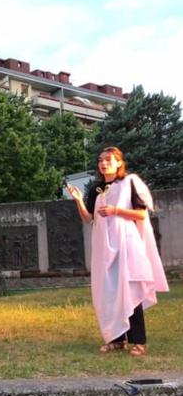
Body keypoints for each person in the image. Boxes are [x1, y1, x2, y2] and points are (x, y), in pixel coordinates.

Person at [67, 146, 168, 356]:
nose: (103, 163)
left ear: (119, 162)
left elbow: (140, 214)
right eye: (100, 160)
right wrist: (78, 200)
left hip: (126, 244)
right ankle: (116, 339)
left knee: (130, 290)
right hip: (104, 247)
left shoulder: (128, 183)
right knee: (109, 292)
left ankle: (138, 341)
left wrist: (115, 211)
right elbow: (89, 219)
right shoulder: (96, 189)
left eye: (108, 159)